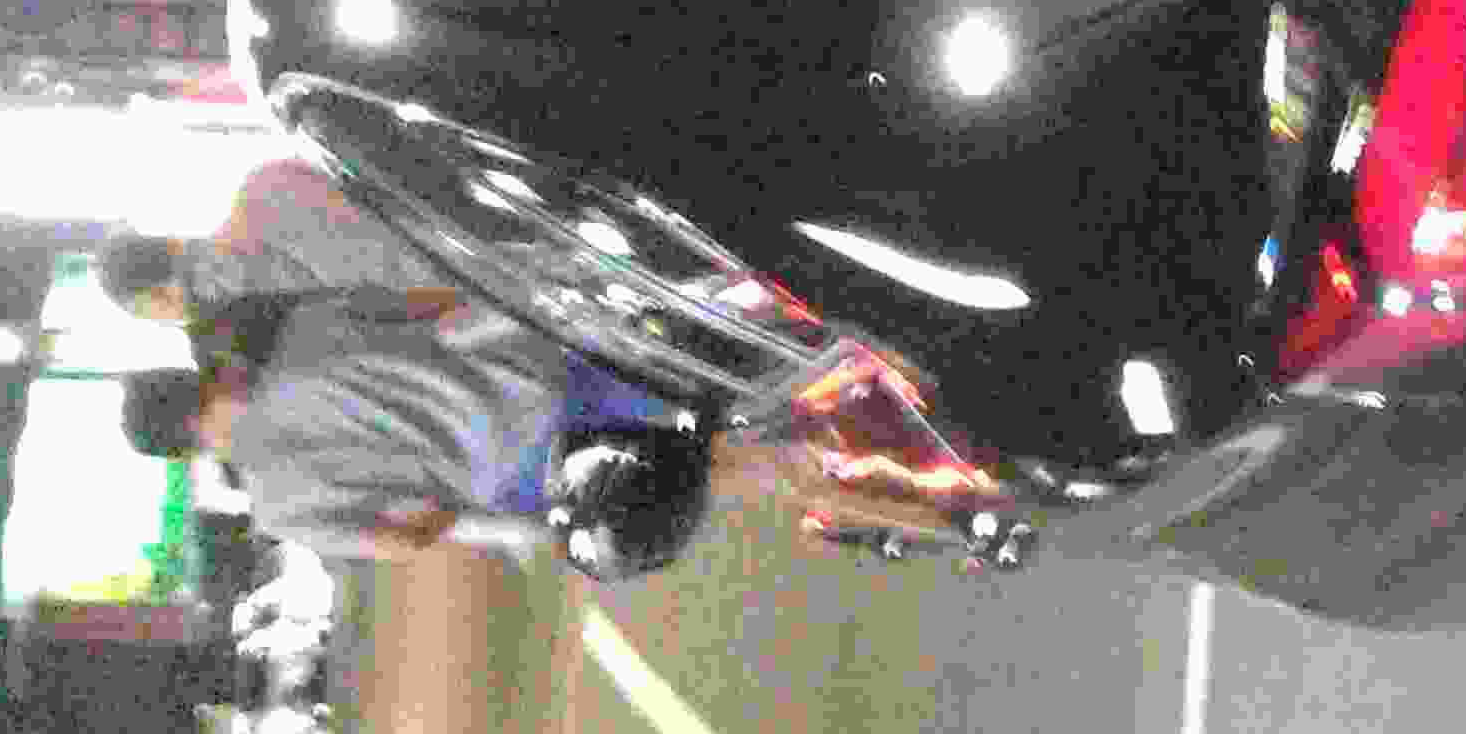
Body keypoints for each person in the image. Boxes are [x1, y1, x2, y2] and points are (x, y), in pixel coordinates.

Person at [117, 300, 952, 562]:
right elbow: (438, 309)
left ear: (184, 450)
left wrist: (467, 499)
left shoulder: (280, 507)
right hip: (542, 378)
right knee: (737, 388)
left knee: (744, 469)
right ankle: (908, 381)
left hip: (529, 468)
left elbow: (409, 537)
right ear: (197, 378)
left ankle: (941, 506)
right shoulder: (305, 332)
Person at [98, 153, 447, 316]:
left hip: (465, 300)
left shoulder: (270, 345)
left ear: (161, 299)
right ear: (172, 240)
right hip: (454, 199)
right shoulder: (266, 180)